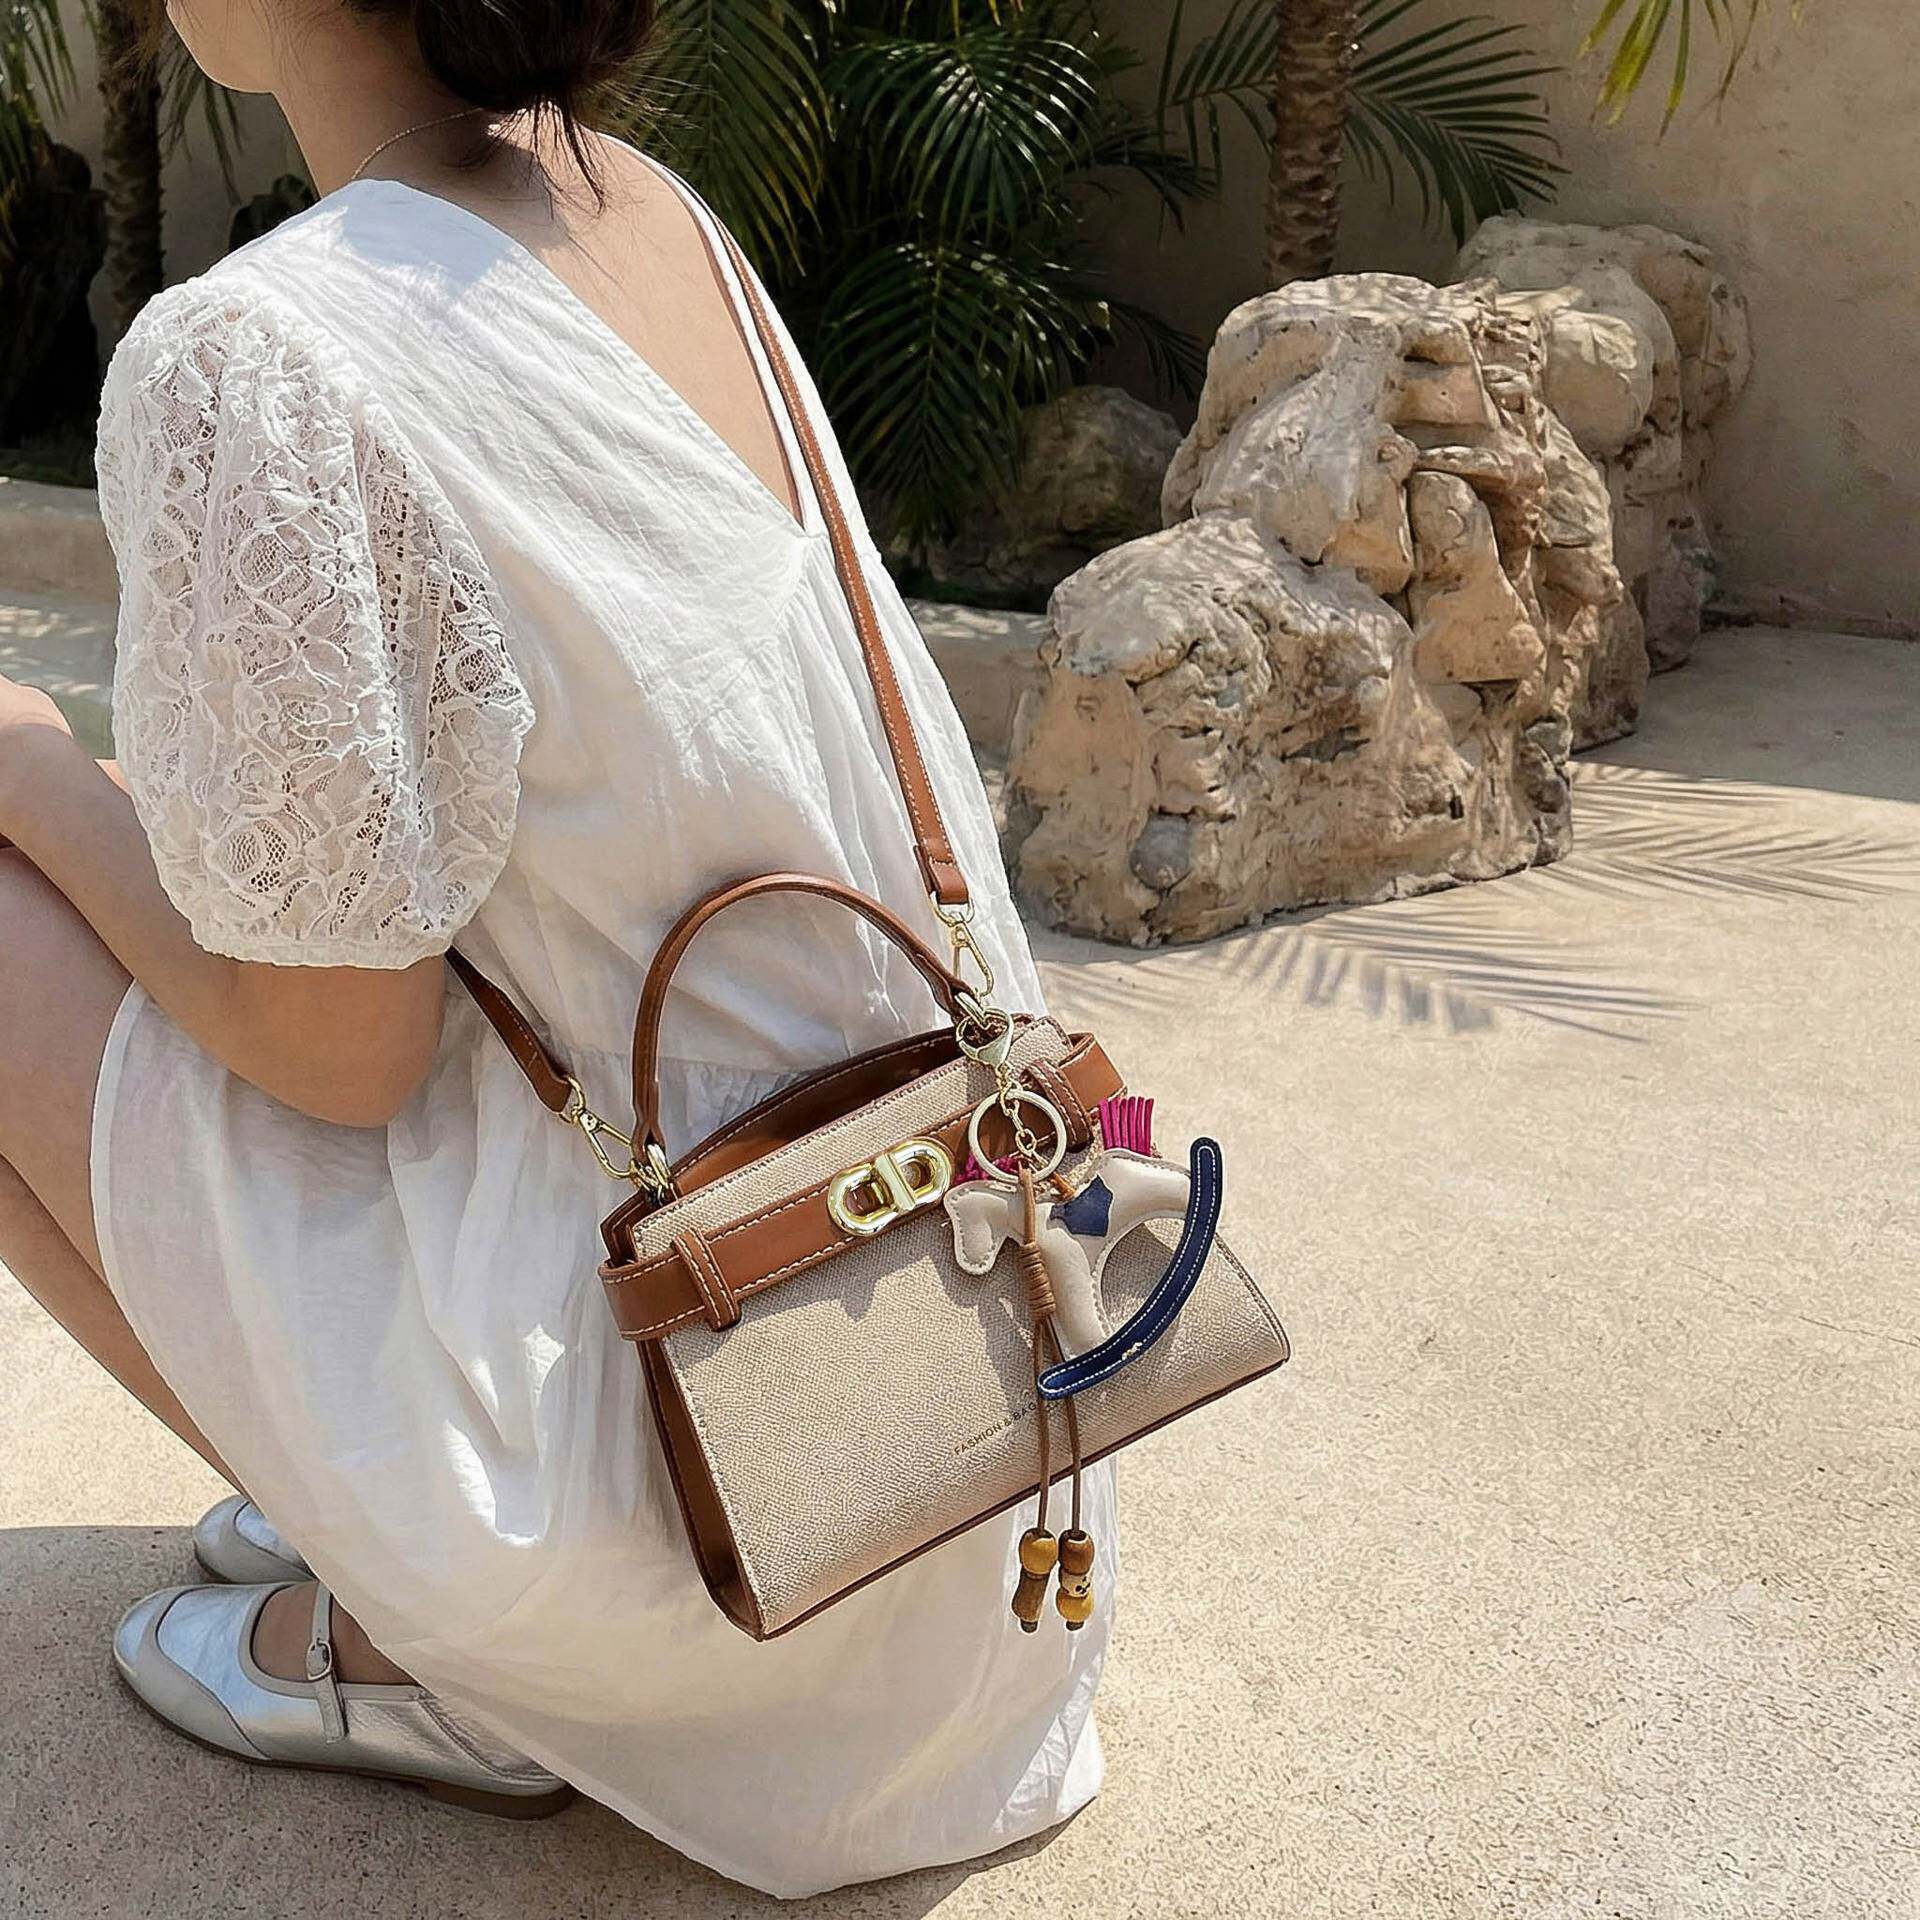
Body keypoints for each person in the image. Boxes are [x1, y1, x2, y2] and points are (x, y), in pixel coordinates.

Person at [0, 0, 1113, 1895]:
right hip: (960, 1433)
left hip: (693, 1513)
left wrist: (32, 768)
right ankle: (388, 1514)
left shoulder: (261, 348)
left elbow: (340, 1049)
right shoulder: (639, 205)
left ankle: (453, 1646)